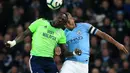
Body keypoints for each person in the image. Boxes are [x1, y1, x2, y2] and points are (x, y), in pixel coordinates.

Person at [6, 13, 82, 73]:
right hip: (36, 60)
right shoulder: (40, 22)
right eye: (60, 18)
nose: (60, 20)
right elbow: (25, 34)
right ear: (56, 16)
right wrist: (13, 42)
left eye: (63, 21)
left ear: (64, 25)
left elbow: (65, 52)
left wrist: (74, 52)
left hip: (49, 61)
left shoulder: (61, 33)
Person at [59, 12, 128, 73]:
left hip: (84, 65)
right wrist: (74, 53)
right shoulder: (63, 34)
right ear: (64, 25)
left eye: (69, 20)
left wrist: (117, 43)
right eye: (66, 22)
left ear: (73, 19)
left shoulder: (85, 26)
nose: (68, 23)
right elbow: (65, 54)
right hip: (70, 63)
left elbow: (102, 34)